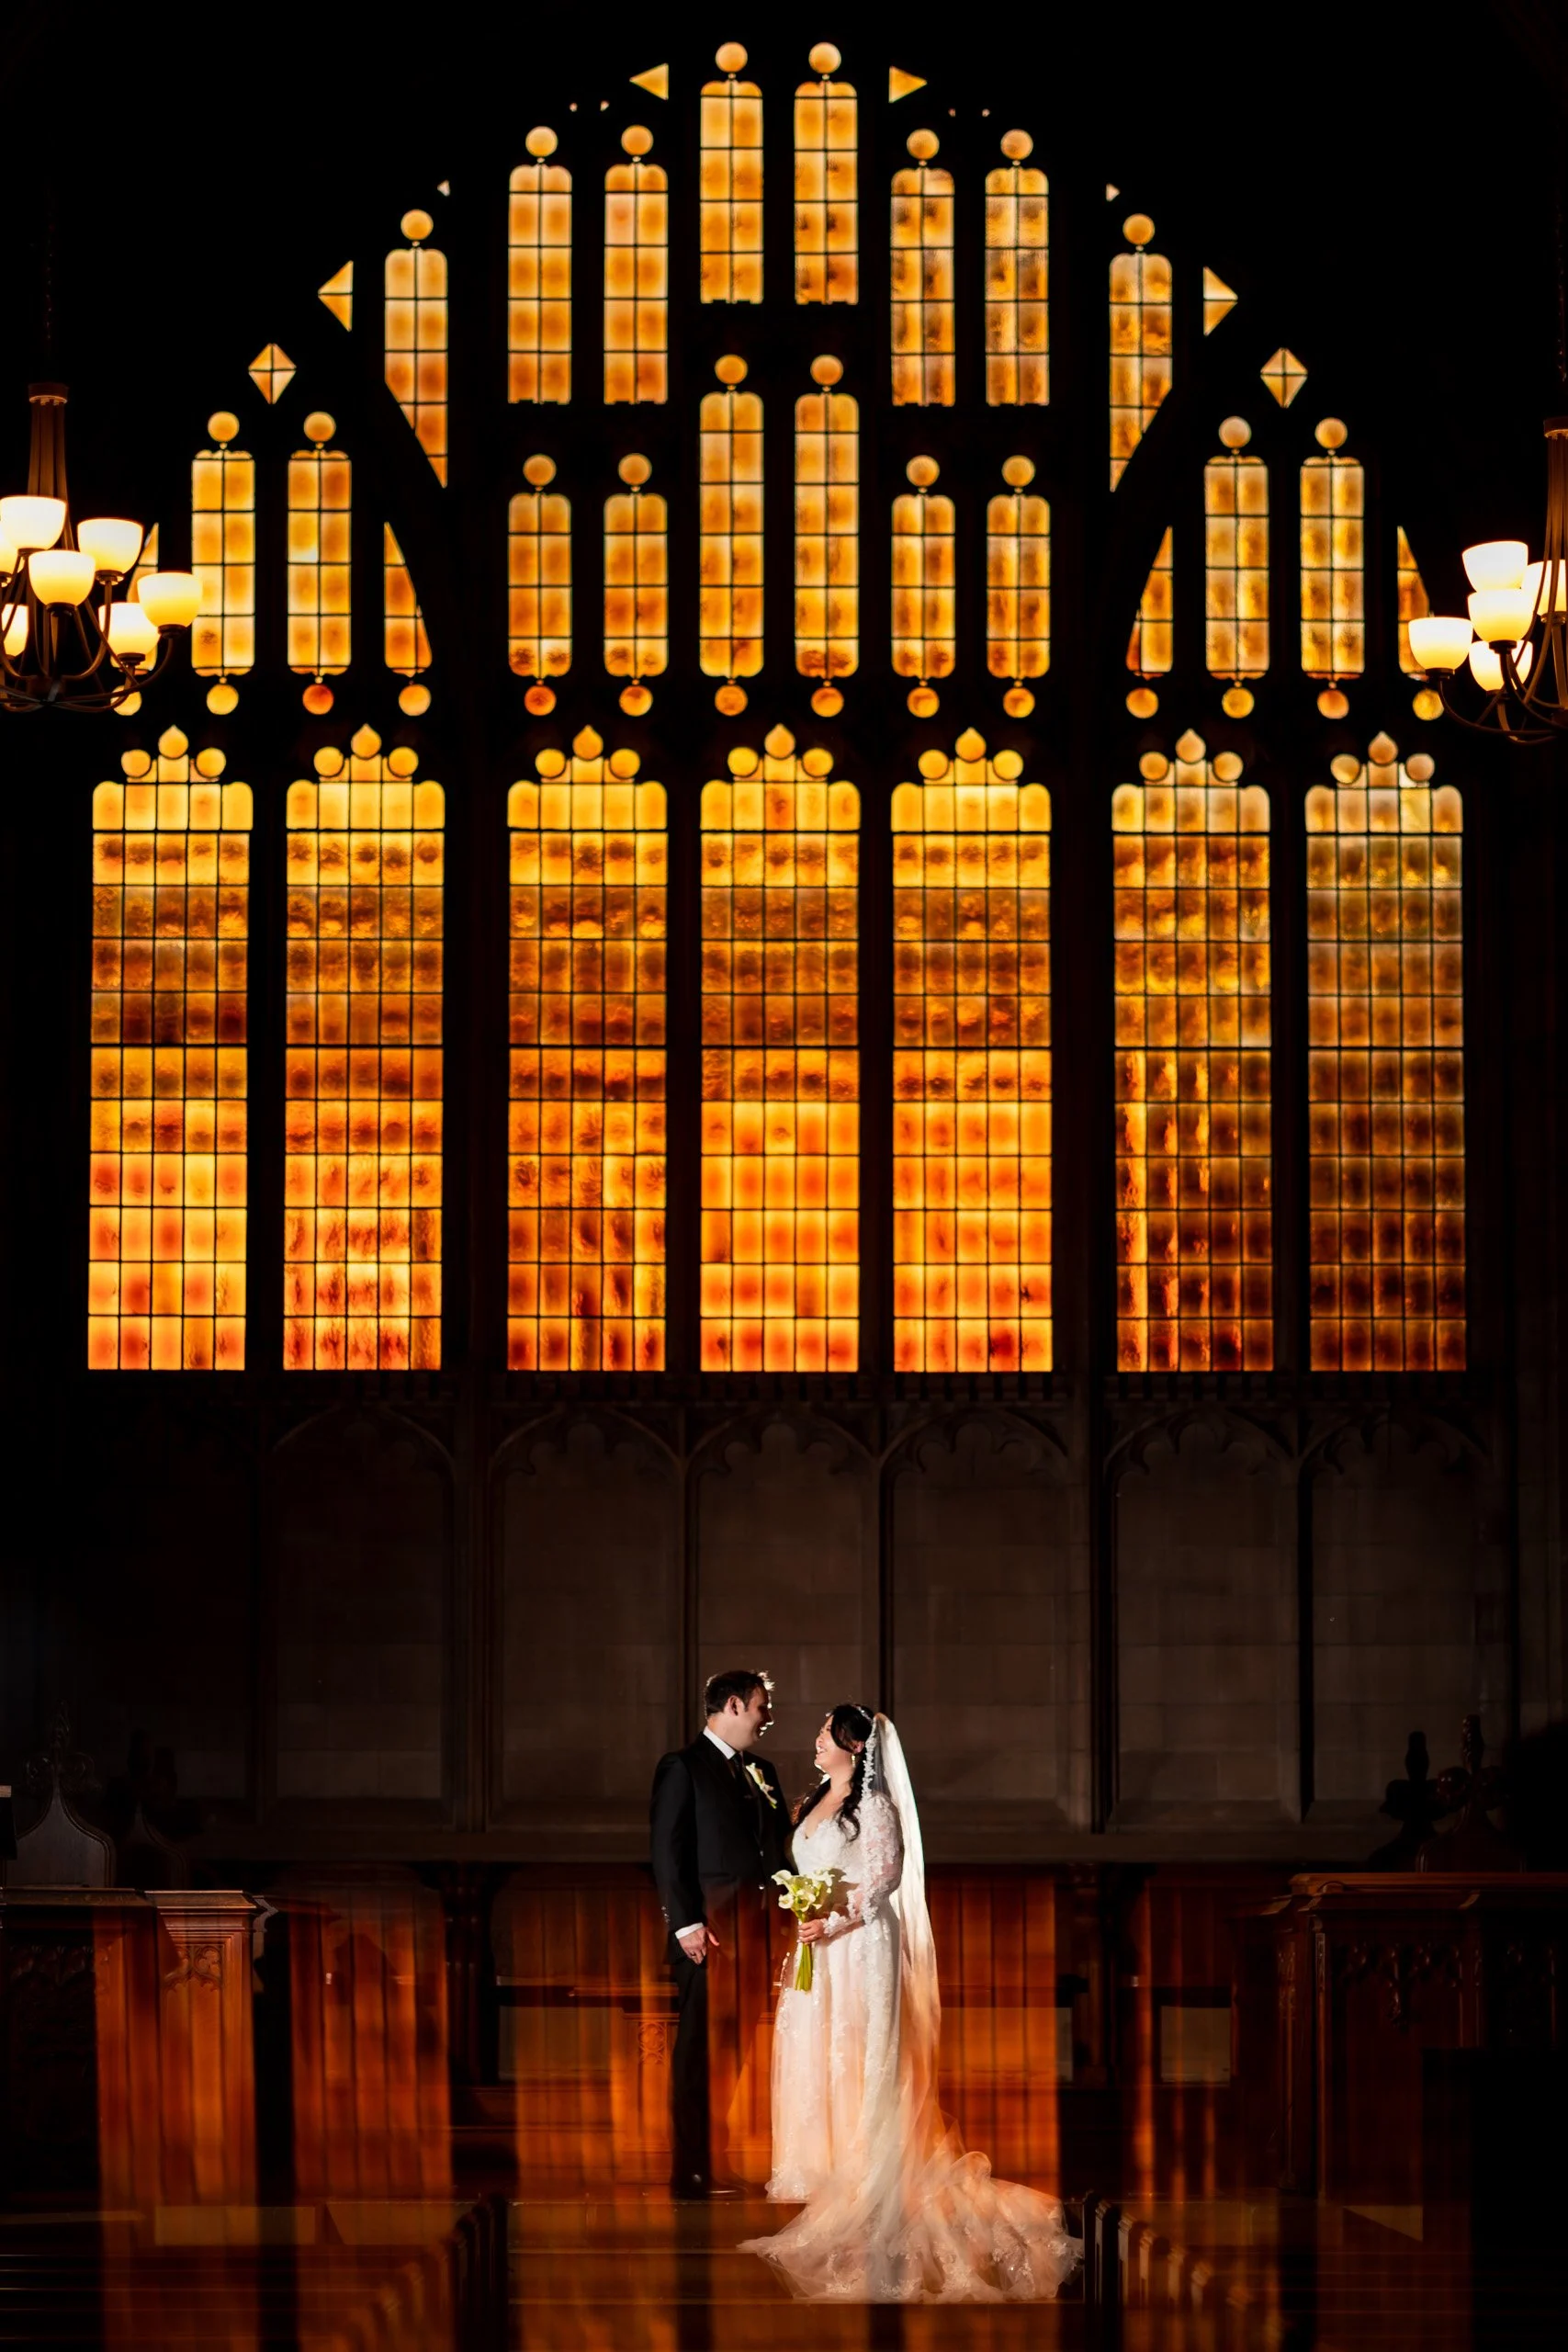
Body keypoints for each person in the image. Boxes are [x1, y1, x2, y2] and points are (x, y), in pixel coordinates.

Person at [739, 1705, 1079, 2302]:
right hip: (818, 1946)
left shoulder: (872, 1807)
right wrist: (804, 1913)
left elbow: (881, 1882)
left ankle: (869, 2186)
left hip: (857, 1949)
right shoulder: (813, 1799)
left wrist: (832, 1921)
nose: (814, 1742)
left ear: (850, 1745)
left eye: (824, 1734)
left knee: (858, 2058)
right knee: (818, 2059)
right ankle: (828, 2176)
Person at [649, 1668, 791, 2199]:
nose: (766, 1719)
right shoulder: (682, 1768)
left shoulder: (763, 1771)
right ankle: (688, 2169)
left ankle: (717, 2158)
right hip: (707, 1937)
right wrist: (686, 1922)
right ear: (732, 1705)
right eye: (761, 1708)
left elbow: (774, 1852)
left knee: (732, 2055)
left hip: (755, 1937)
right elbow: (669, 1850)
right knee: (696, 2057)